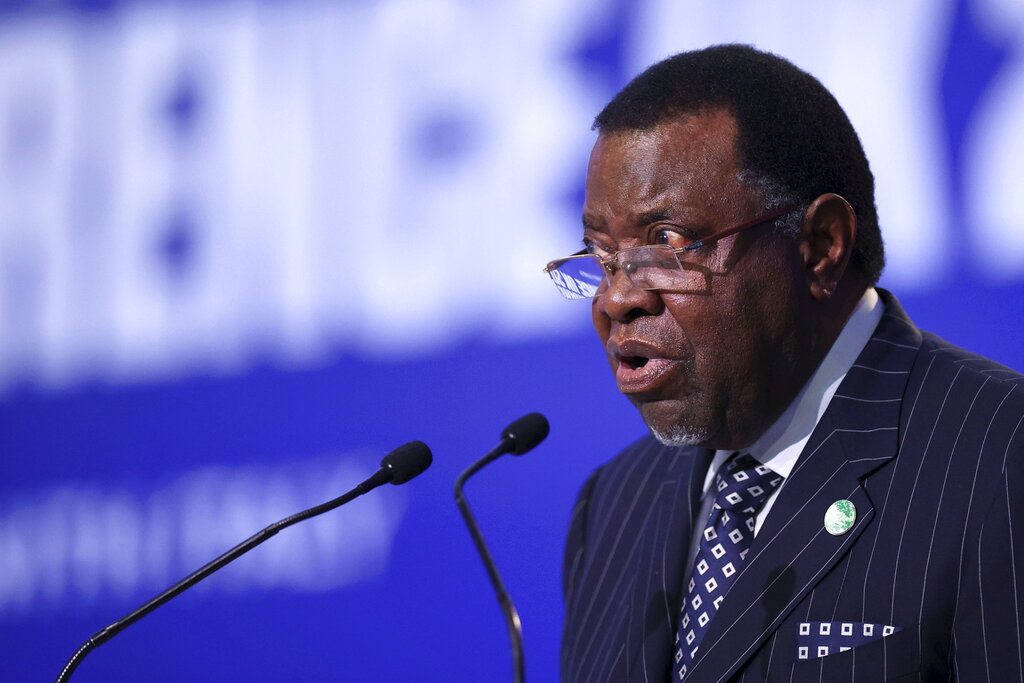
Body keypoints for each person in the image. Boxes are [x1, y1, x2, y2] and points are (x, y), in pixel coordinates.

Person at [549, 44, 1024, 682]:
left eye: (666, 243)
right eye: (603, 255)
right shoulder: (612, 506)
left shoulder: (999, 455)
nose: (618, 297)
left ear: (820, 246)